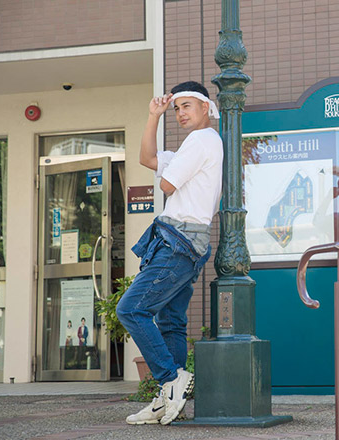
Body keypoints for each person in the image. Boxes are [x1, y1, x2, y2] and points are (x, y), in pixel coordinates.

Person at [116, 81, 223, 426]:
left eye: (186, 106)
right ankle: (169, 402)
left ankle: (169, 380)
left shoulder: (201, 140)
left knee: (131, 308)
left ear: (206, 107)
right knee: (171, 322)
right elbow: (146, 159)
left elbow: (166, 184)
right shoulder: (198, 146)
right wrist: (153, 116)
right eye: (176, 108)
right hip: (188, 243)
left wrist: (173, 172)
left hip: (177, 242)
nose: (180, 113)